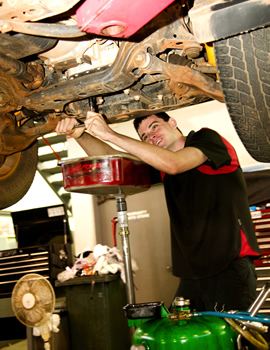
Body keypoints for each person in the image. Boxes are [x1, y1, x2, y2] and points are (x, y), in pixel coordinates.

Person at [56, 110, 261, 312]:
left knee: (237, 340)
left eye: (155, 126)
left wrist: (110, 133)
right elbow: (116, 162)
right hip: (192, 272)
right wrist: (79, 134)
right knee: (179, 339)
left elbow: (174, 163)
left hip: (230, 264)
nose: (151, 136)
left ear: (172, 122)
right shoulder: (161, 166)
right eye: (145, 136)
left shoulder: (206, 138)